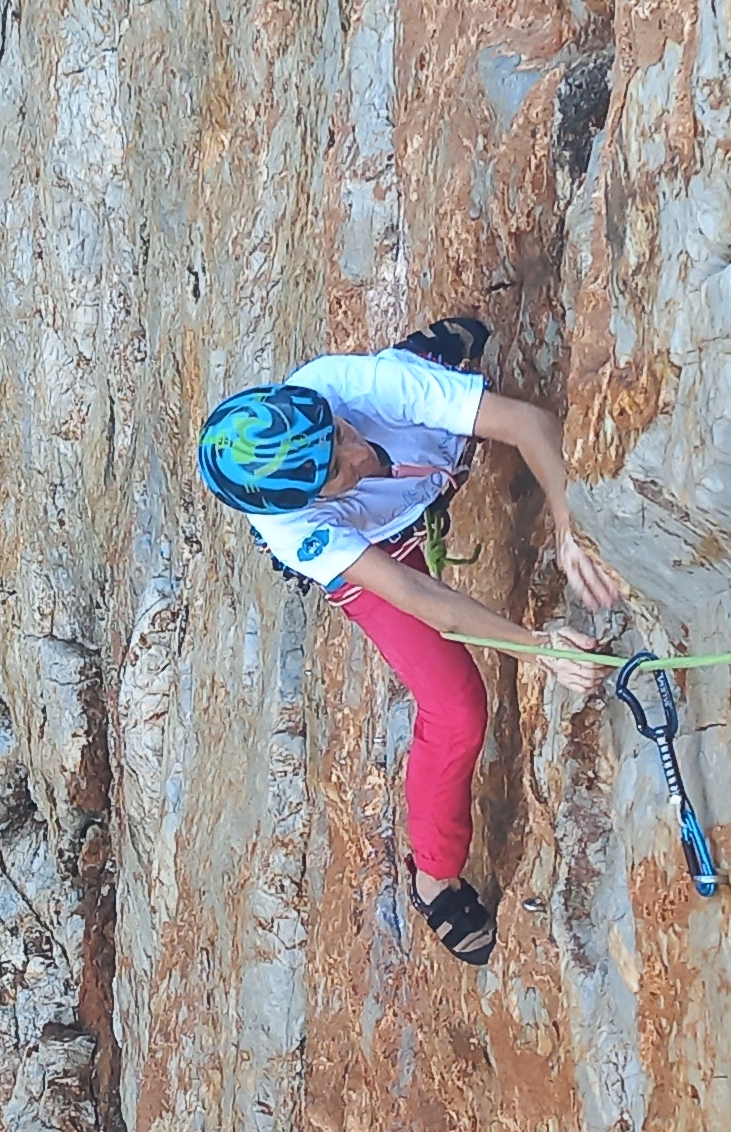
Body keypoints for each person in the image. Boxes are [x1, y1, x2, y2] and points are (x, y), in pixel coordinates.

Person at [191, 315, 625, 964]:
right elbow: (420, 599)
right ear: (299, 504)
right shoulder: (296, 529)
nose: (356, 455)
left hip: (412, 468)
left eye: (338, 437)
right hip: (373, 549)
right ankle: (434, 878)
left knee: (419, 378)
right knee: (454, 712)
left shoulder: (353, 389)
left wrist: (568, 526)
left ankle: (430, 356)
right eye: (335, 471)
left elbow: (527, 424)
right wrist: (538, 646)